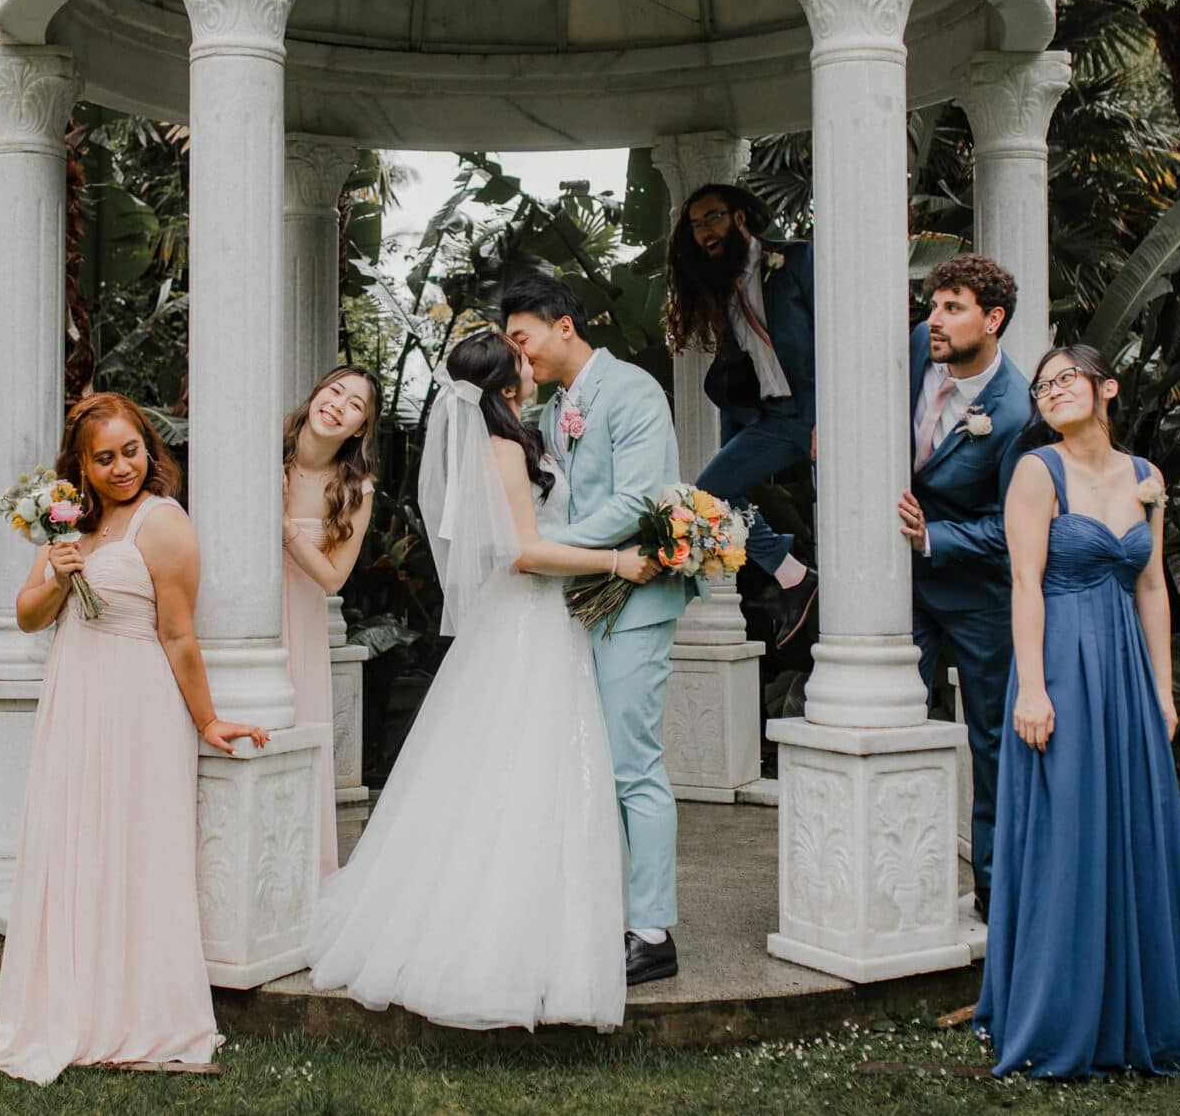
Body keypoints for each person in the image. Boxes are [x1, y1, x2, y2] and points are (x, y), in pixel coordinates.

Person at [304, 331, 661, 1030]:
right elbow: (524, 553)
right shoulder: (500, 449)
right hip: (526, 622)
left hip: (534, 625)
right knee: (523, 772)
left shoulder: (511, 441)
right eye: (521, 362)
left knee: (518, 770)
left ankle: (540, 926)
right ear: (503, 387)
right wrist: (615, 565)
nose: (533, 367)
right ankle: (498, 944)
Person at [0, 394, 268, 1084]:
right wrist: (62, 571)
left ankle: (144, 1015)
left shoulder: (161, 523)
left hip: (137, 702)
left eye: (130, 450)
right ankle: (74, 1001)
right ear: (79, 466)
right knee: (76, 841)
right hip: (74, 697)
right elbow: (26, 615)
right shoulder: (68, 526)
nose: (121, 467)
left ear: (148, 448)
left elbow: (178, 633)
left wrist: (207, 720)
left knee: (136, 847)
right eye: (103, 458)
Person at [974, 346, 1180, 1080]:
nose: (1053, 391)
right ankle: (1058, 1014)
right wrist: (1031, 688)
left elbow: (1151, 586)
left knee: (1131, 821)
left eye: (1067, 379)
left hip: (1124, 666)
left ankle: (1140, 1013)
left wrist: (1162, 690)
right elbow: (1024, 586)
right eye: (1043, 385)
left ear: (1106, 389)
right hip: (1059, 659)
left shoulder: (1148, 477)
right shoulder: (1038, 471)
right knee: (1068, 826)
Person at [508, 274, 705, 986]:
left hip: (637, 601)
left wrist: (537, 552)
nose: (517, 354)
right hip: (583, 597)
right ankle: (603, 905)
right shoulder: (555, 405)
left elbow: (639, 496)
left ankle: (652, 931)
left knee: (631, 765)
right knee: (588, 761)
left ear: (564, 326)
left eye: (521, 337)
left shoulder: (632, 390)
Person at [897, 253, 1032, 920]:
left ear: (994, 318)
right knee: (894, 719)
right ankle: (900, 880)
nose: (935, 319)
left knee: (991, 741)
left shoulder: (1017, 414)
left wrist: (934, 539)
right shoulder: (920, 348)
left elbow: (1014, 528)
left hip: (980, 594)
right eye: (934, 304)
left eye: (953, 307)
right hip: (899, 589)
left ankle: (995, 889)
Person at [663, 182, 819, 649]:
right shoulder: (721, 287)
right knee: (710, 495)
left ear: (740, 217)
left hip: (816, 415)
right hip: (770, 418)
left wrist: (825, 419)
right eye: (694, 226)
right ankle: (795, 576)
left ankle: (823, 592)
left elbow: (834, 335)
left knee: (841, 514)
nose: (703, 231)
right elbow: (739, 360)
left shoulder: (795, 260)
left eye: (712, 218)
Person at [280, 364, 380, 878]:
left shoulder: (354, 489)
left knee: (294, 737)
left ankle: (296, 875)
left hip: (299, 624)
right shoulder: (266, 448)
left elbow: (334, 578)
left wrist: (282, 527)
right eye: (334, 391)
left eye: (354, 404)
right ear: (317, 393)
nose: (338, 404)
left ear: (359, 428)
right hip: (231, 617)